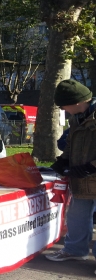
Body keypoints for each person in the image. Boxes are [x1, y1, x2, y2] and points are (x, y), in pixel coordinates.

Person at [45, 79, 96, 268]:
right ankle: (75, 250)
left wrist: (91, 166)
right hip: (83, 179)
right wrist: (63, 160)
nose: (64, 110)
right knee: (77, 215)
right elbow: (71, 144)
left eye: (64, 106)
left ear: (76, 102)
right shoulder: (77, 117)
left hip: (88, 172)